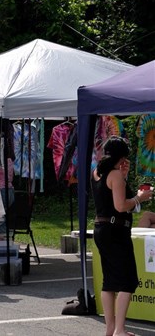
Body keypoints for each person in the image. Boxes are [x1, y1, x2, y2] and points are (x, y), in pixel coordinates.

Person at [91, 136, 152, 336]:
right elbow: (120, 206)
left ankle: (110, 328)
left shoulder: (97, 172)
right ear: (121, 156)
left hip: (102, 229)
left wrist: (124, 177)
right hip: (115, 231)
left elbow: (110, 200)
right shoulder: (114, 174)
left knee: (109, 282)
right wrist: (139, 198)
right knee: (127, 281)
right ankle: (120, 330)